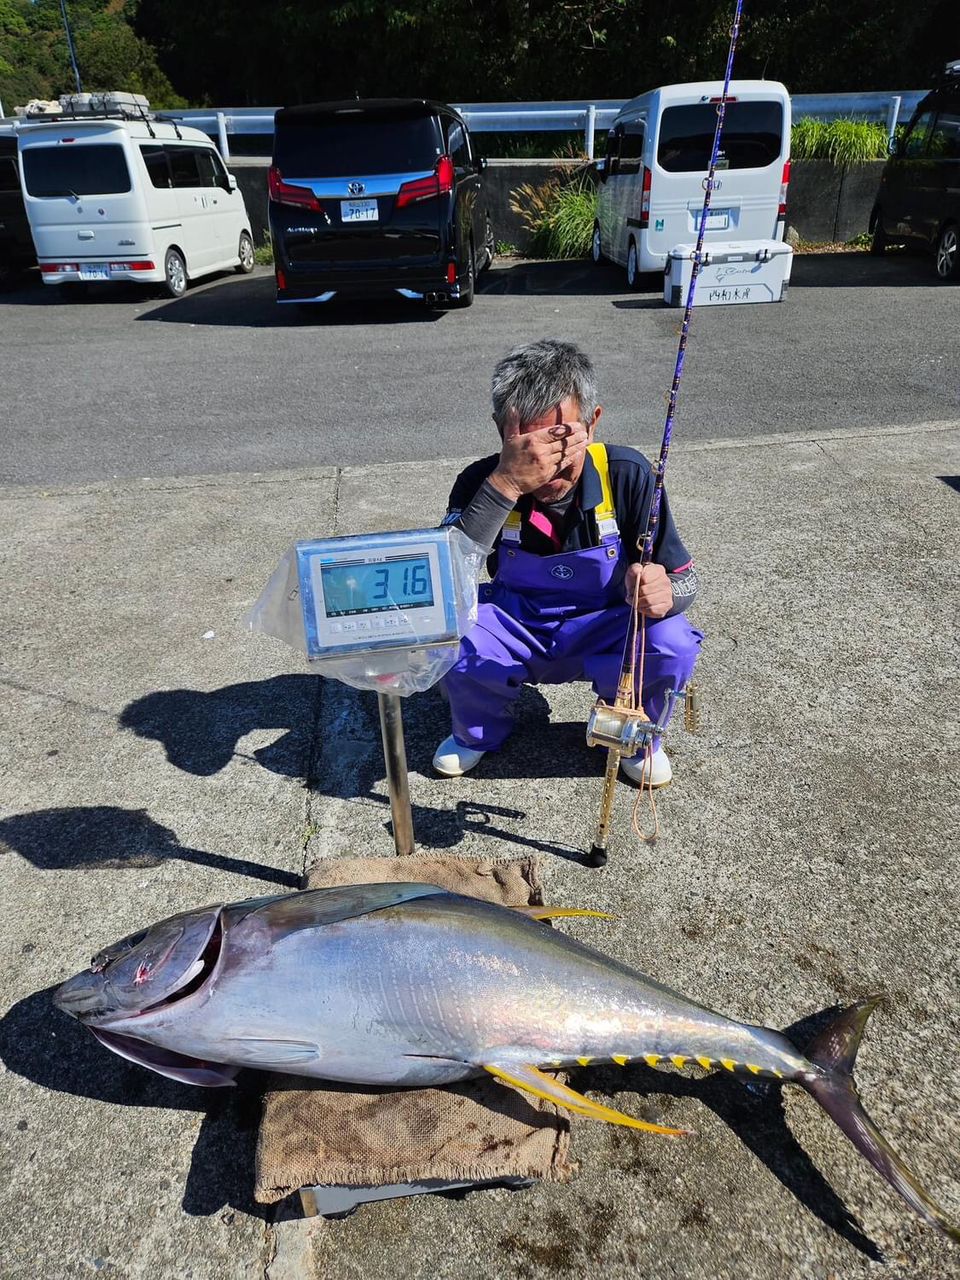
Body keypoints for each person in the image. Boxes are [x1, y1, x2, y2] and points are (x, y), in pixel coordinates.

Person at [433, 338, 702, 786]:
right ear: (500, 431)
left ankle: (637, 736)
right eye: (526, 447)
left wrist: (666, 594)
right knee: (448, 630)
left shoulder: (629, 473)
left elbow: (686, 579)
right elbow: (441, 578)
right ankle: (476, 732)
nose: (546, 467)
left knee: (672, 640)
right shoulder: (480, 479)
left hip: (607, 623)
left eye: (560, 442)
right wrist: (505, 484)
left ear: (592, 424)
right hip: (517, 621)